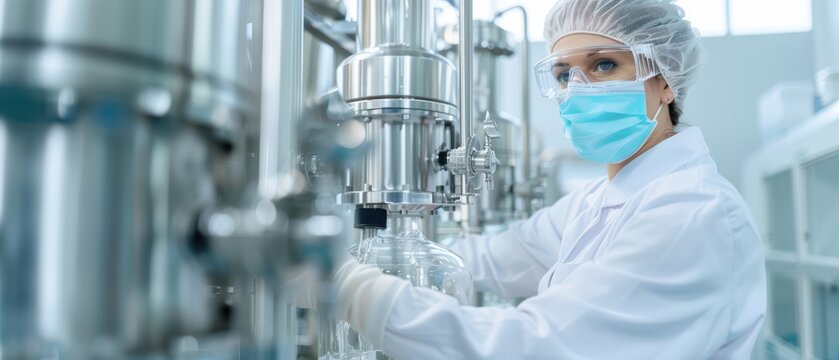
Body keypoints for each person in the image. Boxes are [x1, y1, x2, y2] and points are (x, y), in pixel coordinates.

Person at [300, 0, 767, 358]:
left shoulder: (689, 214)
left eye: (603, 64)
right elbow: (498, 256)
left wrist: (346, 285)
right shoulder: (602, 200)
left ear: (664, 79)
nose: (577, 90)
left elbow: (530, 346)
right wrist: (394, 255)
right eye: (564, 74)